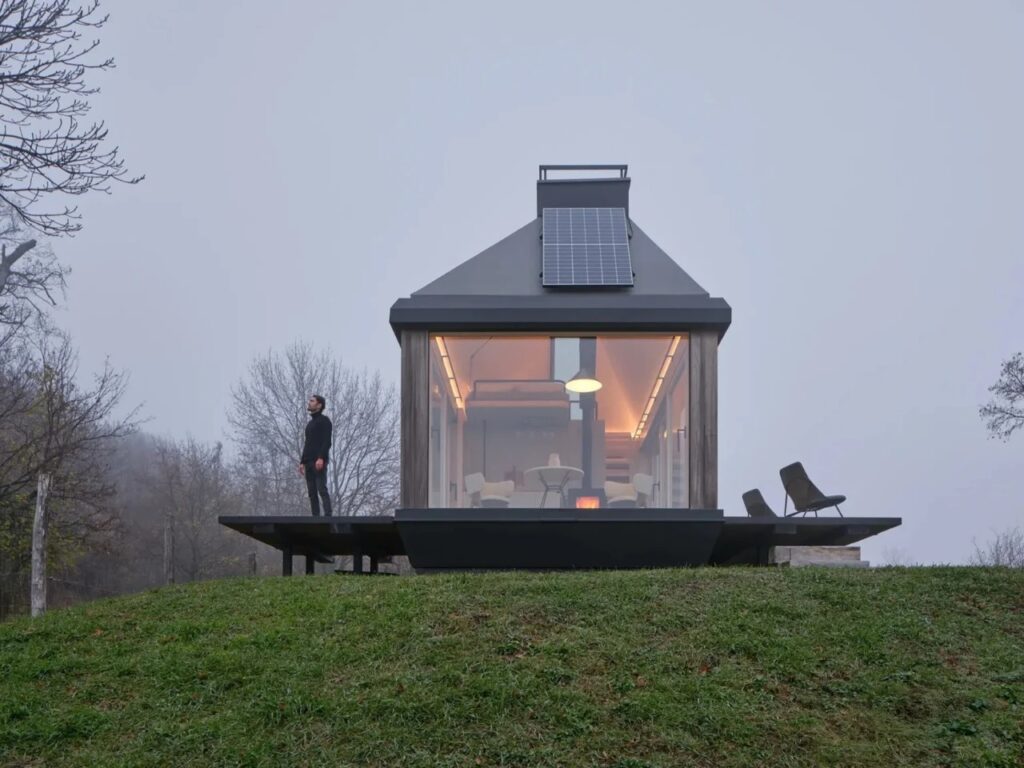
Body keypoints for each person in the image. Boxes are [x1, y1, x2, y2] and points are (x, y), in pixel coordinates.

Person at [299, 394, 333, 516]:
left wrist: (321, 458)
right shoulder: (309, 425)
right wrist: (302, 462)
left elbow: (327, 441)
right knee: (311, 493)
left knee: (321, 489)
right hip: (308, 462)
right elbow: (307, 444)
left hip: (318, 461)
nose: (309, 402)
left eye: (312, 401)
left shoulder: (325, 421)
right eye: (310, 400)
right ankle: (315, 517)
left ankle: (328, 516)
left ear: (319, 405)